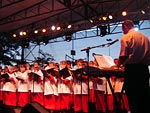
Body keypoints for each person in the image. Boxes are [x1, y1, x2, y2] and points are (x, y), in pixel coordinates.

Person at [118, 19, 150, 113]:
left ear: (125, 27)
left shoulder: (126, 37)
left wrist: (117, 65)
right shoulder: (145, 38)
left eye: (122, 29)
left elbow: (123, 55)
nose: (123, 31)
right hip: (144, 70)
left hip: (132, 70)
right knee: (144, 96)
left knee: (133, 96)